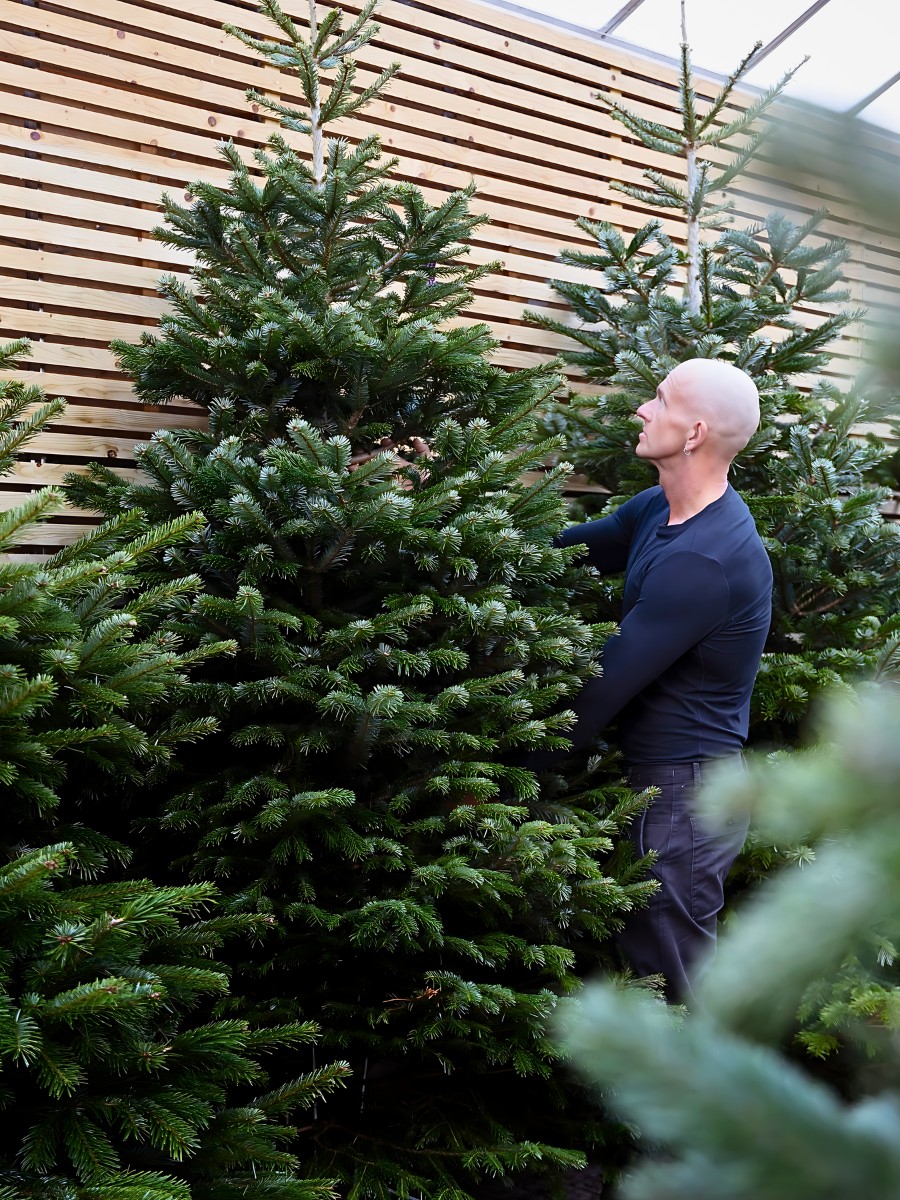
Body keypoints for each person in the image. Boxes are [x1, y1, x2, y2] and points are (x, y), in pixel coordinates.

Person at [523, 358, 772, 1004]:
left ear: (692, 434)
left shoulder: (704, 561)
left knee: (673, 986)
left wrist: (509, 779)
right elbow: (562, 550)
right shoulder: (658, 509)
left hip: (686, 799)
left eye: (658, 400)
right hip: (664, 784)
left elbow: (601, 690)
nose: (641, 408)